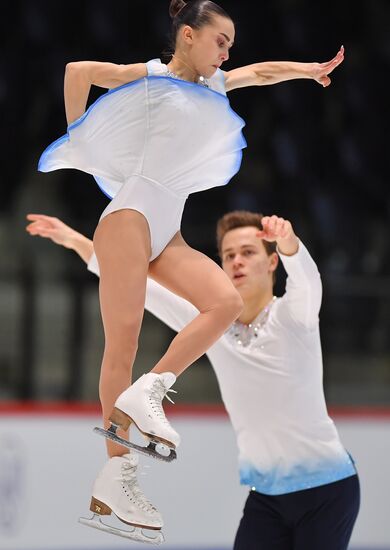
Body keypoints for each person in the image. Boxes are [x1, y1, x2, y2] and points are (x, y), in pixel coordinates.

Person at [37, 0, 344, 540]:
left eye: (230, 43)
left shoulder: (217, 87)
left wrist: (308, 70)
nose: (228, 52)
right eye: (220, 40)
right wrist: (82, 140)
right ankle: (118, 475)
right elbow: (77, 72)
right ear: (186, 36)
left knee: (223, 303)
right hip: (129, 217)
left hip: (165, 229)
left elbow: (261, 72)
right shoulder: (150, 77)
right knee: (122, 346)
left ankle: (152, 390)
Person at [26, 210, 360, 550]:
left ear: (272, 261)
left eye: (248, 252)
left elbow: (308, 279)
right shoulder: (214, 326)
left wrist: (288, 239)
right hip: (267, 495)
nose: (236, 262)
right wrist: (76, 241)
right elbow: (142, 288)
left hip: (327, 489)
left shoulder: (293, 316)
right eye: (229, 255)